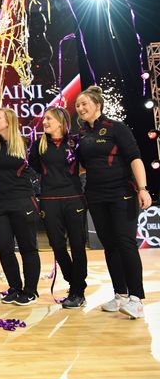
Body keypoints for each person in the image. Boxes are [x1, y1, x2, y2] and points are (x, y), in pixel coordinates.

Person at [76, 85, 151, 319]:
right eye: (77, 105)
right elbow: (81, 167)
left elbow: (135, 158)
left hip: (121, 193)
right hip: (96, 196)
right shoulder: (82, 135)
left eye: (84, 104)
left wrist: (143, 188)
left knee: (125, 242)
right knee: (109, 245)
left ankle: (136, 298)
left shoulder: (116, 128)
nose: (80, 108)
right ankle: (120, 294)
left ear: (97, 105)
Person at [28, 107, 87, 309]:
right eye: (44, 118)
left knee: (78, 245)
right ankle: (75, 281)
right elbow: (35, 166)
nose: (44, 122)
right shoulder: (38, 145)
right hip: (49, 199)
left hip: (74, 198)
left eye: (49, 118)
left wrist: (69, 178)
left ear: (61, 122)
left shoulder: (75, 142)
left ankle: (77, 291)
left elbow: (85, 164)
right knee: (57, 245)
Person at [0, 108, 40, 306]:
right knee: (4, 248)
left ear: (9, 121)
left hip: (22, 200)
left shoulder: (25, 143)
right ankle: (15, 288)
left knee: (28, 248)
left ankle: (30, 291)